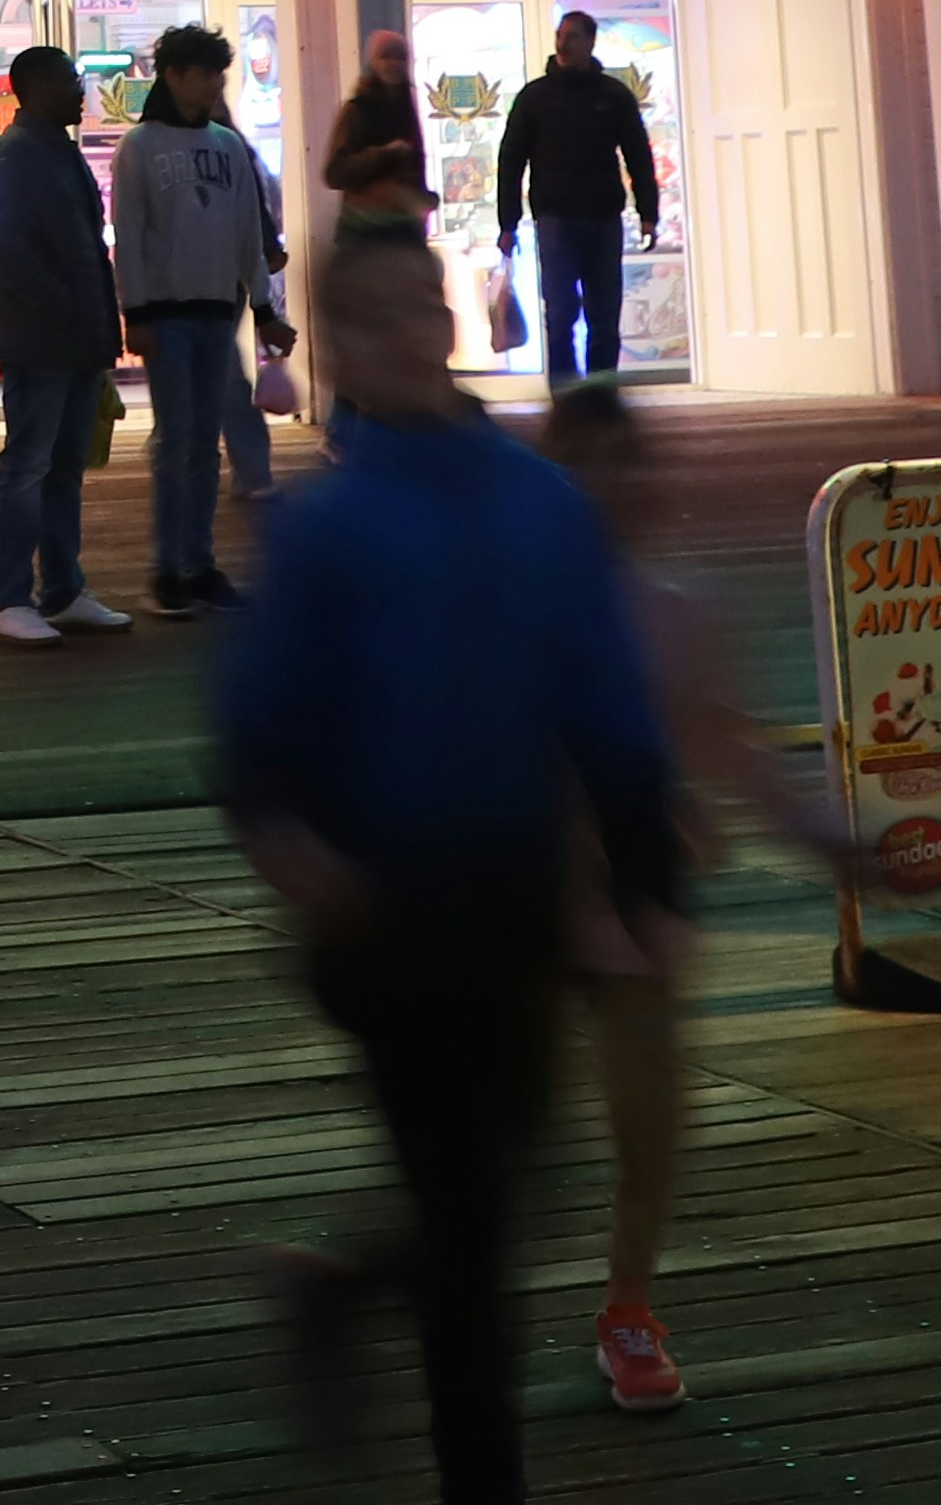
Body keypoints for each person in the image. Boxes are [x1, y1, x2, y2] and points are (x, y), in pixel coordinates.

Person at [216, 227, 686, 1505]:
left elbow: (601, 693)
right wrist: (290, 838)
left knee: (505, 1180)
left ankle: (348, 1291)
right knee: (474, 1222)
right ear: (342, 355)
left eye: (425, 303)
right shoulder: (325, 524)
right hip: (385, 908)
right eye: (372, 317)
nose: (411, 330)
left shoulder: (535, 499)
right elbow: (259, 723)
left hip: (514, 893)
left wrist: (638, 872)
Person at [537, 383, 842, 1415]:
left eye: (630, 462)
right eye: (586, 464)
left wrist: (826, 837)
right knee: (504, 1116)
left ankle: (629, 1300)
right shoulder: (501, 608)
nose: (613, 484)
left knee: (651, 1113)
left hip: (636, 882)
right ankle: (434, 1277)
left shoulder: (675, 613)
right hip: (520, 877)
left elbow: (735, 748)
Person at [114, 21, 284, 607]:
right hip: (166, 313)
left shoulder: (227, 144)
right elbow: (130, 236)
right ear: (173, 76)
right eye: (204, 73)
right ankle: (169, 567)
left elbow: (246, 234)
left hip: (217, 310)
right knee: (177, 440)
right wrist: (134, 312)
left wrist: (263, 307)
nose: (214, 83)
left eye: (219, 73)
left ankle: (198, 562)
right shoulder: (139, 147)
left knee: (203, 443)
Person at [0, 47, 128, 643]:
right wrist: (69, 309)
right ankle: (10, 597)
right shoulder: (17, 155)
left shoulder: (54, 150)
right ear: (35, 88)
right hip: (41, 336)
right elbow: (7, 248)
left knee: (63, 466)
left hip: (75, 332)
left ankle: (62, 589)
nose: (80, 91)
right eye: (71, 81)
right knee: (29, 465)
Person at [492, 12, 662, 388]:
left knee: (603, 316)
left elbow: (638, 155)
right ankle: (566, 400)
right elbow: (511, 160)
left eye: (572, 36)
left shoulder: (613, 96)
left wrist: (648, 213)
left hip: (602, 218)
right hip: (555, 219)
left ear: (590, 42)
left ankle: (600, 398)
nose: (563, 43)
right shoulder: (535, 97)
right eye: (560, 35)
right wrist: (507, 222)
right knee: (561, 313)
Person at [325, 32, 433, 230]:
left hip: (402, 229)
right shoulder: (358, 109)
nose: (394, 64)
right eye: (386, 56)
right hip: (365, 230)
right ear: (373, 62)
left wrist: (422, 199)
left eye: (400, 57)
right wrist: (384, 154)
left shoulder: (407, 107)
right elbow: (335, 173)